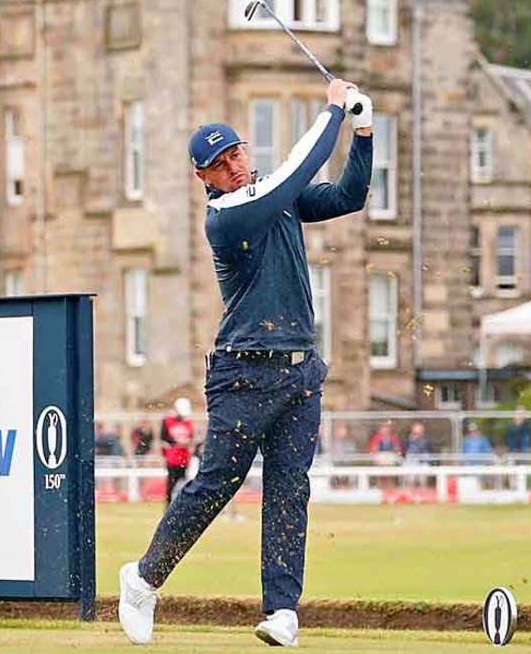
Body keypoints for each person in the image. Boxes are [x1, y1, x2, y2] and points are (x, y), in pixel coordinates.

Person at [118, 78, 373, 648]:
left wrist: (363, 131)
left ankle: (282, 610)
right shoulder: (231, 214)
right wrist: (332, 111)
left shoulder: (272, 197)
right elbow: (297, 171)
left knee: (290, 489)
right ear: (203, 177)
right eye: (219, 162)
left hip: (301, 371)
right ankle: (143, 578)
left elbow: (349, 196)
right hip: (243, 373)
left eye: (235, 153)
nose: (233, 164)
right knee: (215, 484)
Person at [159, 398, 195, 505]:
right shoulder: (167, 421)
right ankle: (169, 507)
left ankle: (180, 505)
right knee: (171, 484)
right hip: (172, 459)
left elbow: (191, 438)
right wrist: (176, 442)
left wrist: (187, 442)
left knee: (182, 483)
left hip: (184, 458)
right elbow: (163, 439)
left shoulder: (188, 423)